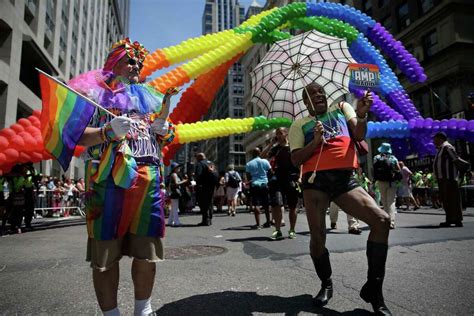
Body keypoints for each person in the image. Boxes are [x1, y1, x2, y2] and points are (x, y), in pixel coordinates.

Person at [74, 38, 178, 315]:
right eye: (131, 60)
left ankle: (143, 311)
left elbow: (164, 137)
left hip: (149, 180)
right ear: (114, 62)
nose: (137, 65)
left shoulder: (147, 97)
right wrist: (106, 132)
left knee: (147, 251)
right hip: (107, 180)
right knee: (106, 255)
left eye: (139, 62)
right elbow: (75, 135)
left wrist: (163, 126)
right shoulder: (93, 94)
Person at [289, 82, 392, 315]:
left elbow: (358, 132)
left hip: (345, 180)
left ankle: (374, 290)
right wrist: (314, 143)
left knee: (382, 221)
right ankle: (326, 282)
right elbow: (296, 159)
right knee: (318, 237)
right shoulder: (300, 124)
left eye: (320, 93)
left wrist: (363, 114)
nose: (318, 96)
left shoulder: (343, 107)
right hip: (315, 182)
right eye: (312, 95)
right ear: (306, 102)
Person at [262, 127, 300, 240]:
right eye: (277, 133)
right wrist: (270, 144)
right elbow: (262, 156)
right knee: (276, 204)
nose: (278, 135)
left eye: (280, 133)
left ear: (286, 134)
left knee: (293, 207)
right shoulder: (276, 148)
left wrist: (301, 177)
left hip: (292, 179)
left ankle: (292, 230)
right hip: (278, 179)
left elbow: (301, 162)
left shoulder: (294, 146)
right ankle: (277, 230)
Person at [433, 132, 466, 227]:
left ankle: (457, 219)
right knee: (446, 199)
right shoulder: (441, 148)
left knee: (452, 199)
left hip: (449, 178)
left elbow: (456, 159)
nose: (433, 141)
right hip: (443, 178)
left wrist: (462, 174)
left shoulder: (447, 147)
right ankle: (450, 219)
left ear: (440, 138)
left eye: (435, 139)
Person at [373, 143, 400, 229]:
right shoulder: (393, 158)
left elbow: (374, 169)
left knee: (384, 201)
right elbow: (398, 169)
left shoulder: (376, 158)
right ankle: (391, 222)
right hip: (392, 182)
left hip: (381, 182)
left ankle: (386, 220)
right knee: (391, 202)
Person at [245, 147, 272, 229]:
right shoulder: (265, 161)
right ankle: (268, 222)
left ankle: (258, 224)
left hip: (255, 185)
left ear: (252, 154)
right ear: (260, 153)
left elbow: (248, 176)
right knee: (266, 204)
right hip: (265, 184)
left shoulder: (249, 164)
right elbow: (270, 172)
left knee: (256, 204)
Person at [194, 153, 218, 226]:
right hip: (212, 186)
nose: (196, 159)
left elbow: (198, 175)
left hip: (203, 186)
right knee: (210, 202)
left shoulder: (200, 164)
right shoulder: (211, 163)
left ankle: (205, 220)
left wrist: (197, 182)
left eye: (197, 157)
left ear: (199, 158)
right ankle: (209, 219)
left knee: (203, 203)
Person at [168, 162, 188, 227]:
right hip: (175, 193)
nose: (179, 168)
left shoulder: (174, 174)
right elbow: (177, 183)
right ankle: (176, 222)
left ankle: (170, 221)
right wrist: (184, 181)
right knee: (175, 208)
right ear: (174, 168)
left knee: (173, 207)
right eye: (178, 167)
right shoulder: (174, 174)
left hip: (173, 193)